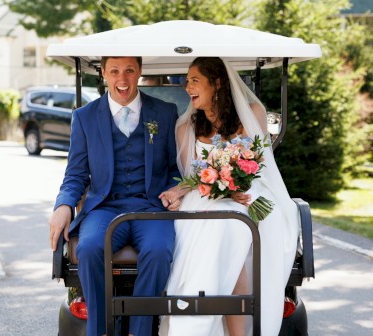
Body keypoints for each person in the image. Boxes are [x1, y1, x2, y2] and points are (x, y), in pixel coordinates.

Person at [158, 57, 300, 336]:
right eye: (186, 81)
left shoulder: (252, 112)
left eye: (194, 80)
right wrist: (177, 191)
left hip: (249, 193)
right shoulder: (185, 127)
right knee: (211, 225)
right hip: (205, 194)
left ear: (218, 82)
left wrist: (231, 185)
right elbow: (192, 177)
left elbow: (253, 163)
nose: (187, 87)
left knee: (231, 223)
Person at [49, 56, 181, 336]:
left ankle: (139, 331)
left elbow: (174, 168)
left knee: (159, 251)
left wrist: (174, 191)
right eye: (115, 71)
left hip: (151, 207)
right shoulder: (84, 117)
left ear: (140, 72)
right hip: (105, 208)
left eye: (130, 70)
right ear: (104, 74)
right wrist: (63, 205)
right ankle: (101, 330)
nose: (123, 79)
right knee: (89, 247)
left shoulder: (166, 113)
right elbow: (75, 174)